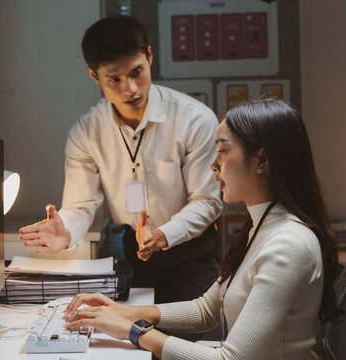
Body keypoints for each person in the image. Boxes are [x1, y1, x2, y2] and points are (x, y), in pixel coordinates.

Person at [62, 99, 343, 359]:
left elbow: (230, 358)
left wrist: (133, 331)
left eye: (222, 151)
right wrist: (121, 312)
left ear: (261, 160)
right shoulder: (264, 227)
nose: (213, 165)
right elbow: (205, 310)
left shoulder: (288, 244)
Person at [19, 16, 223, 307]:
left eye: (137, 72)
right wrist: (66, 232)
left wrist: (163, 235)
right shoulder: (86, 133)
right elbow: (81, 205)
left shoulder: (195, 120)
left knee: (182, 346)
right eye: (114, 79)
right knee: (136, 343)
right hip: (134, 251)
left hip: (191, 250)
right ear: (94, 76)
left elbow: (208, 201)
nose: (130, 89)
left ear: (150, 57)